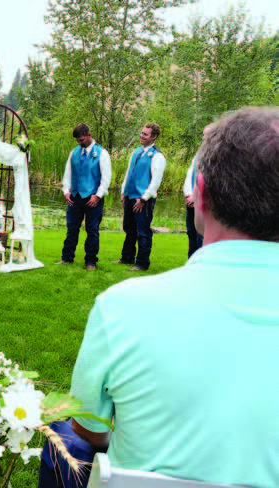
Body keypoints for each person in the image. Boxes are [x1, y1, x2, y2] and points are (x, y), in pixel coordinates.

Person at [39, 107, 279, 488]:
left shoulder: (120, 308)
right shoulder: (119, 155)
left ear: (201, 193)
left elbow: (90, 433)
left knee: (60, 429)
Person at [57, 123, 111, 270]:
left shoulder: (102, 153)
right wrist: (66, 191)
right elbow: (67, 174)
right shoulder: (74, 152)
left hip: (93, 198)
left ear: (88, 135)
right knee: (72, 229)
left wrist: (98, 196)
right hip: (74, 196)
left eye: (81, 140)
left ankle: (91, 262)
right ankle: (67, 258)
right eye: (77, 141)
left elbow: (106, 178)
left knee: (92, 230)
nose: (79, 143)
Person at [116, 123, 166, 271]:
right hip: (130, 196)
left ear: (154, 137)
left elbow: (156, 181)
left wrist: (144, 198)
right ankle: (127, 258)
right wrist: (123, 192)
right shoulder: (136, 152)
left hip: (143, 199)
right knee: (129, 228)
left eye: (145, 134)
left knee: (143, 231)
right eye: (142, 133)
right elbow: (129, 172)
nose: (141, 135)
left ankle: (142, 263)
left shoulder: (157, 156)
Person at [183, 126, 212, 259]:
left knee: (202, 235)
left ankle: (202, 262)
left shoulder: (215, 155)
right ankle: (191, 261)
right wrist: (188, 194)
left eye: (206, 135)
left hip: (204, 202)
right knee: (191, 232)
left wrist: (197, 197)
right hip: (192, 200)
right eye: (203, 135)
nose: (203, 138)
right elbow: (190, 173)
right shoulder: (198, 154)